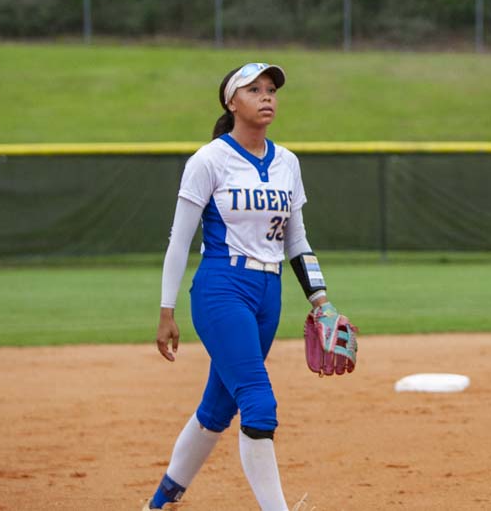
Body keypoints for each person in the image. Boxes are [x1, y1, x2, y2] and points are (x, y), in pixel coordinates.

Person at [144, 62, 356, 511]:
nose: (267, 97)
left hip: (267, 294)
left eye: (271, 90)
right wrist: (166, 310)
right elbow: (179, 241)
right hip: (222, 288)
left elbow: (296, 240)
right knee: (259, 403)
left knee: (218, 409)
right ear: (231, 102)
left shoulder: (287, 163)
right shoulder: (209, 160)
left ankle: (160, 503)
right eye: (254, 89)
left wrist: (320, 300)